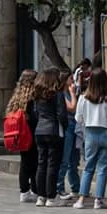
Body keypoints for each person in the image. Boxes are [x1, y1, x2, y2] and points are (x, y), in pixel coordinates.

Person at [73, 66, 107, 210]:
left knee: (88, 167)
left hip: (91, 134)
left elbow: (78, 118)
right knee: (103, 168)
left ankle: (81, 199)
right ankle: (98, 200)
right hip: (106, 134)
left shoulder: (83, 98)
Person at [28, 69, 70, 206]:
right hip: (54, 130)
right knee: (53, 164)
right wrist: (65, 126)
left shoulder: (38, 95)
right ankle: (51, 196)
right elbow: (62, 114)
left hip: (40, 130)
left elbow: (35, 113)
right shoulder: (57, 94)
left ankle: (41, 196)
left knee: (41, 163)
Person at [56, 59, 91, 199]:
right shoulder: (61, 94)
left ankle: (76, 187)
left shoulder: (72, 92)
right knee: (65, 159)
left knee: (74, 160)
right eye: (70, 78)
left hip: (75, 127)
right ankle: (59, 187)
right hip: (67, 127)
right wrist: (72, 93)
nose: (73, 81)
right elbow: (72, 107)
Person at [7, 70, 40, 204]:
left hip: (20, 134)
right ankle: (31, 190)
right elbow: (34, 117)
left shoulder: (17, 97)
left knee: (26, 163)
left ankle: (25, 191)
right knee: (34, 163)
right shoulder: (33, 98)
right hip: (31, 133)